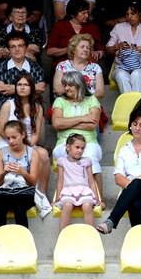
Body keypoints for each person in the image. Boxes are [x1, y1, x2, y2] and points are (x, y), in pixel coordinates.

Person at [95, 109, 141, 234]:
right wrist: (135, 185)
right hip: (134, 192)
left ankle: (111, 220)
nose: (137, 128)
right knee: (134, 204)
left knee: (137, 183)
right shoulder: (125, 149)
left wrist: (136, 181)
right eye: (134, 124)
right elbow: (119, 178)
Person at [51, 71, 104, 204]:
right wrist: (82, 118)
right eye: (65, 85)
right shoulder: (60, 101)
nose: (66, 88)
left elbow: (93, 124)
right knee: (65, 154)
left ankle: (99, 200)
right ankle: (65, 198)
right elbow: (56, 123)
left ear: (79, 86)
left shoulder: (91, 100)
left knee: (91, 158)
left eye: (70, 85)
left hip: (89, 142)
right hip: (64, 143)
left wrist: (67, 123)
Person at [0, 72, 50, 194]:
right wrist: (16, 142)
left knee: (43, 154)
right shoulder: (7, 105)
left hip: (29, 143)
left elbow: (36, 133)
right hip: (8, 143)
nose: (22, 87)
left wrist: (26, 145)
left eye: (25, 85)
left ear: (31, 88)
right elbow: (1, 130)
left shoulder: (38, 108)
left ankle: (42, 194)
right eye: (19, 84)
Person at [0, 121, 39, 230]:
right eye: (8, 138)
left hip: (24, 190)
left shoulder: (33, 153)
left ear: (23, 135)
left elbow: (33, 182)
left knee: (19, 205)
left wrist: (23, 172)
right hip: (4, 190)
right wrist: (4, 172)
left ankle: (23, 242)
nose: (11, 141)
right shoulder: (0, 153)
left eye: (14, 137)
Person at [106, 3, 141, 93]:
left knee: (136, 74)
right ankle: (131, 106)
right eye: (127, 14)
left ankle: (137, 105)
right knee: (120, 74)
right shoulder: (118, 28)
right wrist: (117, 46)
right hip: (120, 68)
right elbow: (108, 50)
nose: (130, 17)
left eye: (133, 14)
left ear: (140, 14)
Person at [0, 30, 46, 119]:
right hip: (3, 104)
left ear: (26, 48)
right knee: (17, 114)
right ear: (8, 50)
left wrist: (13, 89)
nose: (17, 49)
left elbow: (41, 88)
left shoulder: (35, 67)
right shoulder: (0, 66)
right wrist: (27, 88)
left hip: (30, 104)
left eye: (20, 46)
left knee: (37, 114)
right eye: (13, 47)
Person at [54, 134, 99, 231]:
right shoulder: (62, 161)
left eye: (82, 148)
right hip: (68, 190)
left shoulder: (87, 161)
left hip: (84, 190)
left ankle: (92, 234)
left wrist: (97, 199)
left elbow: (91, 181)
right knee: (67, 205)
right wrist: (57, 199)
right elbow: (60, 181)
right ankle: (62, 234)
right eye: (77, 147)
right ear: (68, 147)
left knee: (87, 206)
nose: (80, 151)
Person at [46, 0, 105, 70]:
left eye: (87, 13)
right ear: (73, 15)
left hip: (86, 66)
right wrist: (70, 49)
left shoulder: (92, 28)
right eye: (83, 13)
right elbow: (49, 52)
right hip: (63, 66)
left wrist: (98, 53)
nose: (87, 16)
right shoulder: (59, 26)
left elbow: (102, 50)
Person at [52, 33, 105, 99]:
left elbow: (100, 92)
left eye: (88, 48)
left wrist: (83, 100)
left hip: (88, 103)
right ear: (73, 50)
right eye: (82, 47)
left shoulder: (96, 68)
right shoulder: (62, 65)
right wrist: (75, 97)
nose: (86, 50)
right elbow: (57, 89)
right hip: (66, 102)